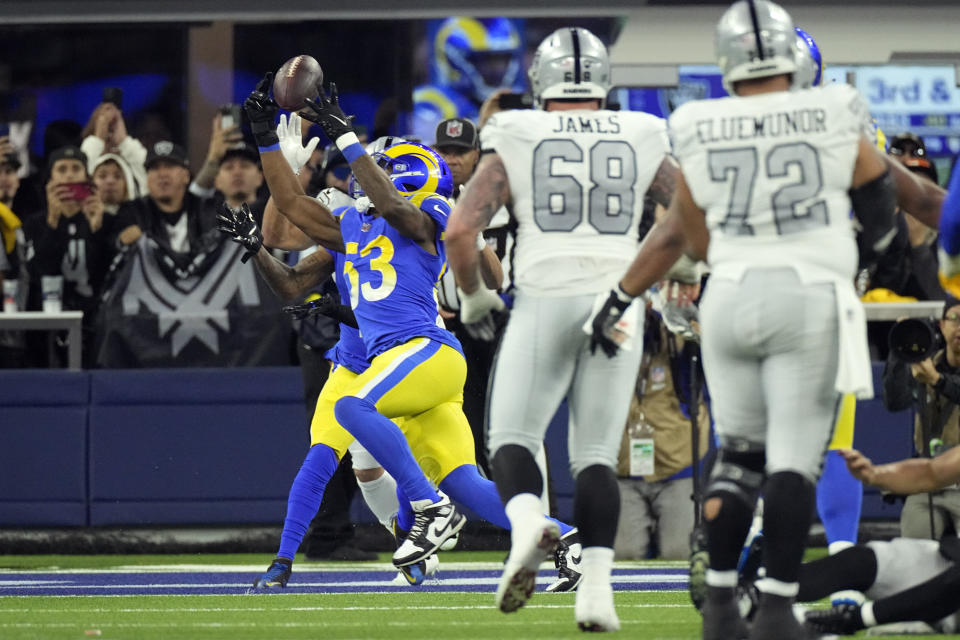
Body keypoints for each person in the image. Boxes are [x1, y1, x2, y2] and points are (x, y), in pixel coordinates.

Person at [589, 2, 900, 637]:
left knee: (739, 456)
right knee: (792, 463)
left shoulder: (699, 120)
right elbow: (879, 194)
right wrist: (863, 253)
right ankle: (779, 605)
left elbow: (691, 235)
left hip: (728, 294)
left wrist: (624, 296)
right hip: (809, 291)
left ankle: (724, 601)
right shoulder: (833, 107)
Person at [241, 73, 582, 579]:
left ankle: (428, 509)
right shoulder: (354, 227)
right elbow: (290, 208)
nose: (364, 176)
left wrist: (347, 138)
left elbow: (399, 210)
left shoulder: (428, 214)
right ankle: (563, 540)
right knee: (468, 482)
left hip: (424, 351)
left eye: (378, 168)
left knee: (353, 407)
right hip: (415, 368)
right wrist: (264, 134)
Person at [445, 26, 676, 631]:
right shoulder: (642, 131)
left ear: (540, 81)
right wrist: (673, 276)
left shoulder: (517, 130)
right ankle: (597, 594)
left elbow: (460, 231)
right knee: (597, 455)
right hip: (618, 301)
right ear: (604, 81)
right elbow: (686, 217)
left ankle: (528, 526)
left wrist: (472, 300)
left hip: (546, 293)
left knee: (512, 437)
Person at [614, 263, 710, 561]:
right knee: (625, 555)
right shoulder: (611, 327)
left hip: (676, 465)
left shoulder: (684, 326)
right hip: (623, 466)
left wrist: (673, 313)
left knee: (680, 554)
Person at [882, 298, 960, 539]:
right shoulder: (927, 364)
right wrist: (900, 351)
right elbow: (895, 402)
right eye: (955, 319)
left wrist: (937, 380)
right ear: (941, 325)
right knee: (914, 550)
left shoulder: (932, 373)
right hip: (929, 482)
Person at [411, 17, 525, 143]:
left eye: (502, 59)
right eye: (486, 60)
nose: (497, 69)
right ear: (454, 61)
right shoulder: (431, 103)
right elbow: (423, 158)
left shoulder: (520, 102)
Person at [114, 141, 217, 259]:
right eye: (155, 168)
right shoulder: (133, 212)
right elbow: (109, 247)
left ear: (186, 176)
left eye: (170, 166)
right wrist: (121, 242)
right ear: (147, 179)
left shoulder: (207, 211)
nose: (162, 174)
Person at [81, 102, 148, 198]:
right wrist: (98, 140)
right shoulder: (89, 158)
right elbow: (79, 176)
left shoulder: (139, 194)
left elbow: (151, 177)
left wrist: (124, 142)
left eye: (117, 176)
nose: (110, 181)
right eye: (106, 140)